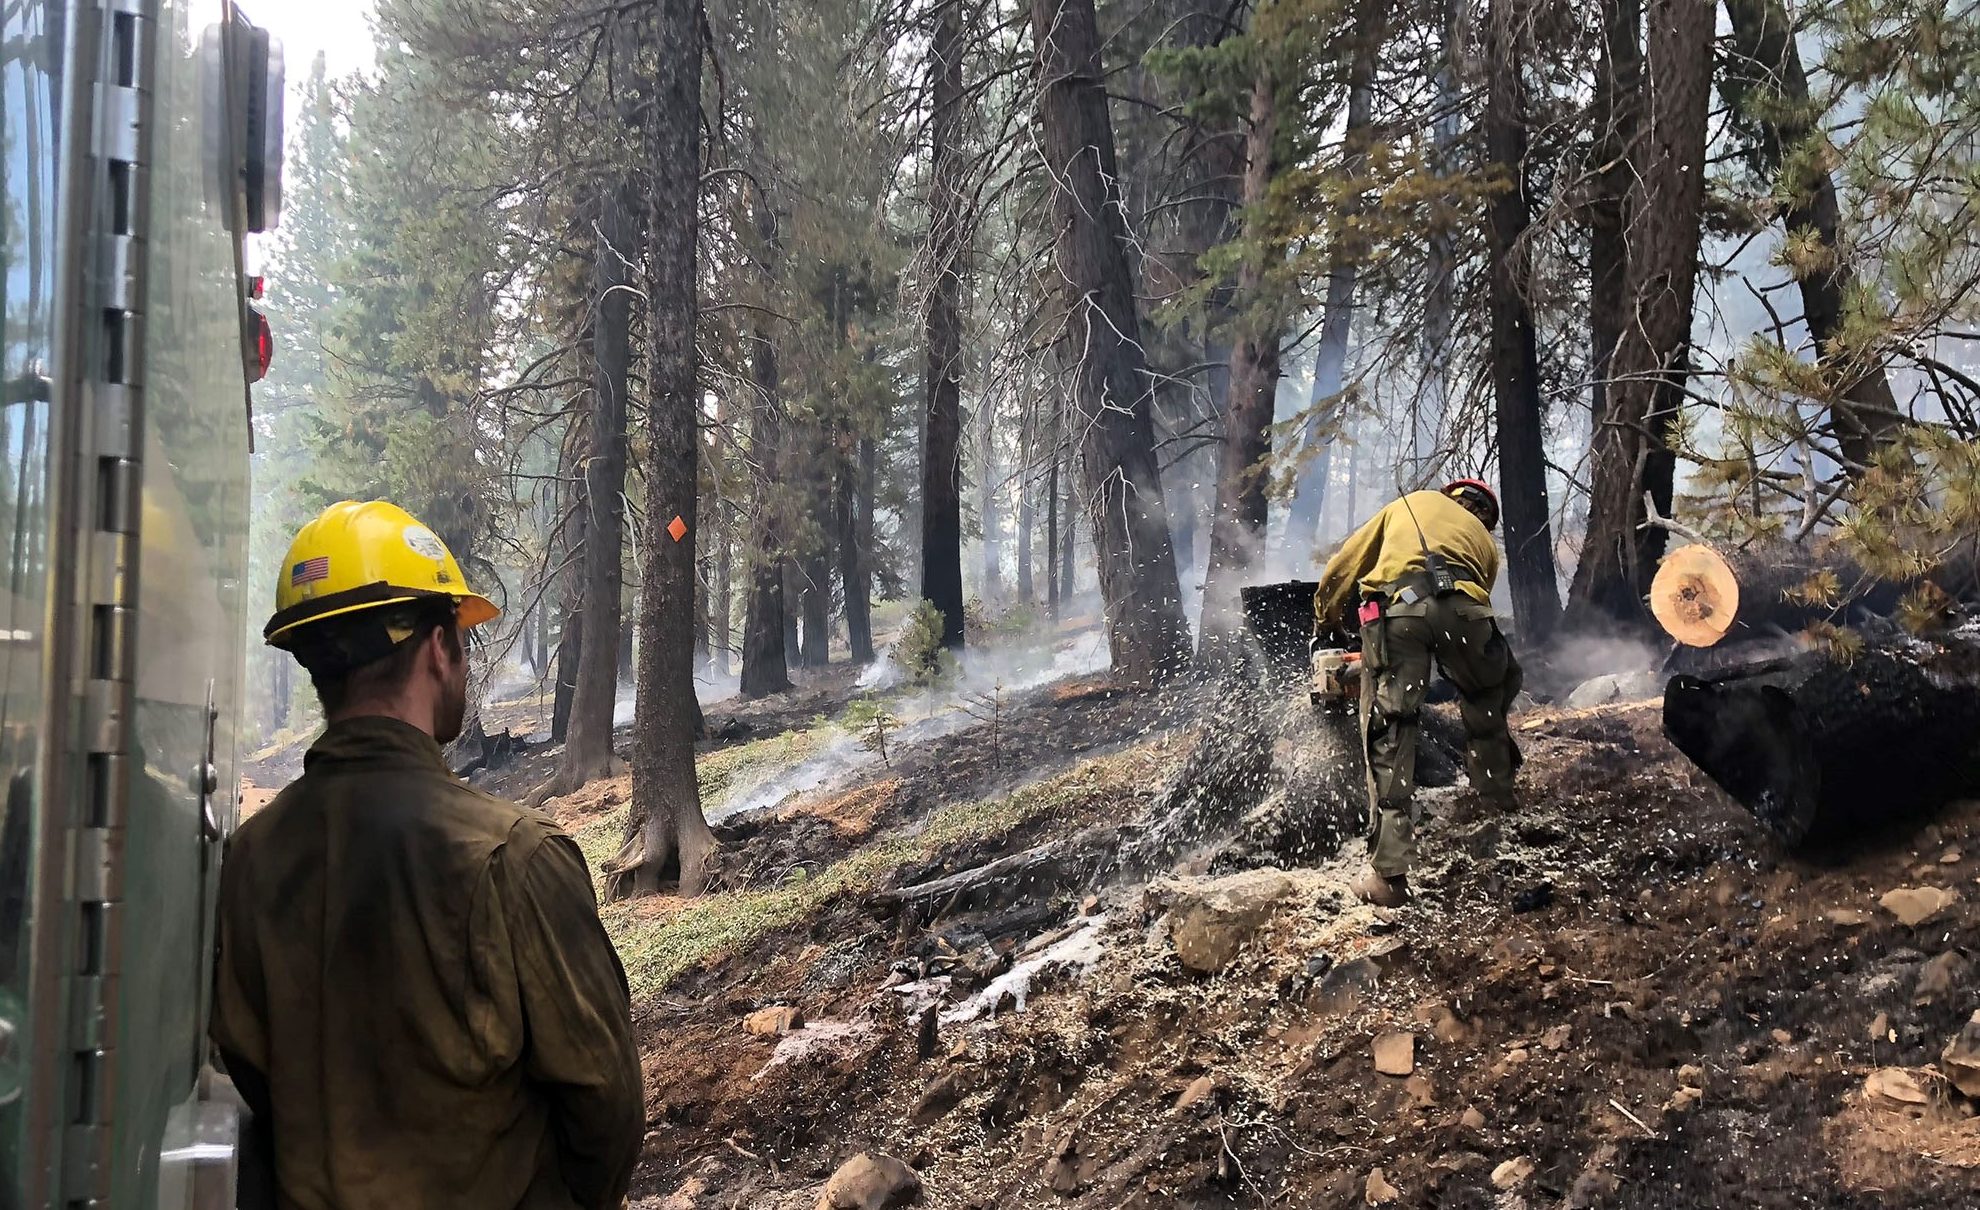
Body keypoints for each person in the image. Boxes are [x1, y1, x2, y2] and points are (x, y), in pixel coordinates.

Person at [211, 500, 645, 1209]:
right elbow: (607, 1110)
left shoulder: (249, 861)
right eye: (462, 640)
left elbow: (250, 1071)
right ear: (439, 648)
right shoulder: (514, 858)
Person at [1312, 479, 1523, 908]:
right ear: (1486, 517)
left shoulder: (1412, 503)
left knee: (1391, 728)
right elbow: (1466, 601)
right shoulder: (1484, 543)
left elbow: (1344, 565)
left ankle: (1389, 877)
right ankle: (1496, 806)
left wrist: (1325, 620)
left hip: (1399, 613)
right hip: (1466, 613)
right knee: (1487, 697)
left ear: (1451, 496)